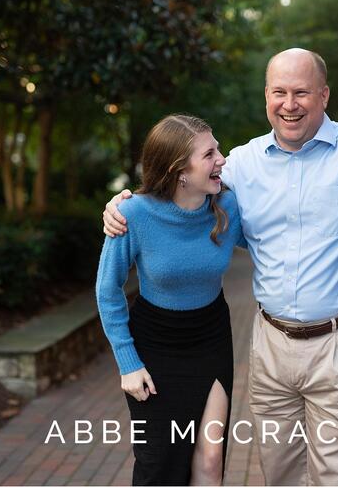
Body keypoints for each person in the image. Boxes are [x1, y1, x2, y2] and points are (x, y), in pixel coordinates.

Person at [102, 48, 338, 486]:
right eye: (279, 92)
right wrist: (122, 205)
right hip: (270, 345)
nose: (289, 104)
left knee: (336, 476)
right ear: (266, 96)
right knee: (277, 472)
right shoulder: (240, 164)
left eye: (301, 92)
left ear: (324, 95)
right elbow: (178, 188)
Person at [95, 114, 244, 486]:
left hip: (211, 338)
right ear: (179, 171)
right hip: (155, 347)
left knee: (211, 457)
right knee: (159, 466)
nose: (221, 159)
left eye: (218, 149)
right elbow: (108, 290)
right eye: (209, 154)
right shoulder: (132, 214)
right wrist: (128, 362)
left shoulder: (228, 206)